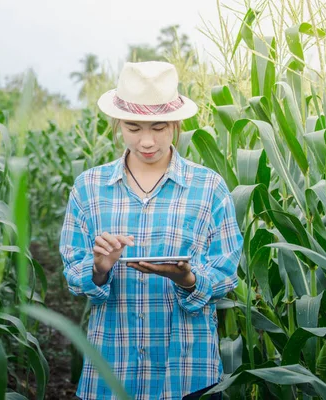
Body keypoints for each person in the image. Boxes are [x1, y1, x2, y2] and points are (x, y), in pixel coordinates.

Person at [59, 61, 244, 400]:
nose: (146, 141)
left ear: (176, 124)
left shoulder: (208, 187)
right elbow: (74, 269)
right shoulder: (89, 187)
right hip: (113, 370)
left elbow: (226, 272)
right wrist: (99, 267)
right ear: (117, 124)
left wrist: (187, 279)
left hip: (188, 374)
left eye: (159, 128)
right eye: (133, 127)